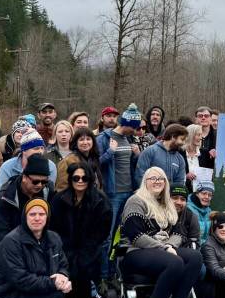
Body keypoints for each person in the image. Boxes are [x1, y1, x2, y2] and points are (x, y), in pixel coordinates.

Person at [117, 167, 203, 298]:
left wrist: (170, 245)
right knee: (175, 262)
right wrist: (164, 248)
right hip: (135, 252)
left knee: (195, 257)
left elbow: (179, 233)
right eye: (152, 178)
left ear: (165, 184)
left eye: (161, 179)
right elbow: (136, 237)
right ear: (145, 182)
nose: (157, 182)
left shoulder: (166, 204)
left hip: (161, 252)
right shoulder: (136, 201)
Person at [48, 163, 110, 298]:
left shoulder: (100, 200)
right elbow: (53, 226)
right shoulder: (59, 199)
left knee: (84, 275)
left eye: (84, 177)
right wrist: (63, 247)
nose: (80, 181)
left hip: (89, 247)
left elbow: (103, 228)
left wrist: (89, 247)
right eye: (76, 177)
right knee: (68, 275)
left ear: (90, 179)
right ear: (70, 179)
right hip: (65, 246)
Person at [0, 155, 50, 298]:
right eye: (35, 181)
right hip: (10, 238)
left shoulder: (47, 191)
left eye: (44, 181)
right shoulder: (6, 197)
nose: (40, 185)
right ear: (24, 177)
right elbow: (0, 234)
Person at [97, 102, 141, 241]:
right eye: (134, 127)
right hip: (112, 193)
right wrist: (110, 152)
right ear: (126, 124)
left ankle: (114, 263)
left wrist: (136, 155)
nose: (136, 131)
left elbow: (128, 165)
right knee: (108, 235)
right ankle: (105, 263)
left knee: (119, 235)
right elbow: (95, 164)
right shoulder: (103, 138)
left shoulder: (127, 139)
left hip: (128, 192)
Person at [0, 129, 56, 194]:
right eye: (36, 148)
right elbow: (0, 194)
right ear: (24, 150)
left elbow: (49, 193)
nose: (40, 152)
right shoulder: (7, 167)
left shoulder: (50, 166)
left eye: (42, 148)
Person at [135, 123, 188, 192]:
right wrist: (150, 194)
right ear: (173, 137)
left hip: (168, 199)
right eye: (182, 139)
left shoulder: (180, 159)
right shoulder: (150, 151)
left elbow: (180, 182)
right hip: (149, 197)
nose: (183, 143)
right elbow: (140, 175)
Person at [54, 127, 103, 192]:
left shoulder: (94, 159)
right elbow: (62, 188)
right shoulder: (67, 161)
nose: (85, 142)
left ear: (93, 141)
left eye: (88, 139)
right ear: (76, 143)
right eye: (81, 139)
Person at [170, 183, 201, 248]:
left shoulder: (191, 217)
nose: (179, 202)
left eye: (183, 199)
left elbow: (195, 241)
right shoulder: (158, 213)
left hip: (181, 251)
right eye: (175, 198)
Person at [183, 122, 203, 187]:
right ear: (190, 135)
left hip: (200, 192)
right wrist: (185, 176)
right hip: (183, 190)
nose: (200, 138)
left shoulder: (204, 154)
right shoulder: (180, 153)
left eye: (201, 135)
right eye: (198, 135)